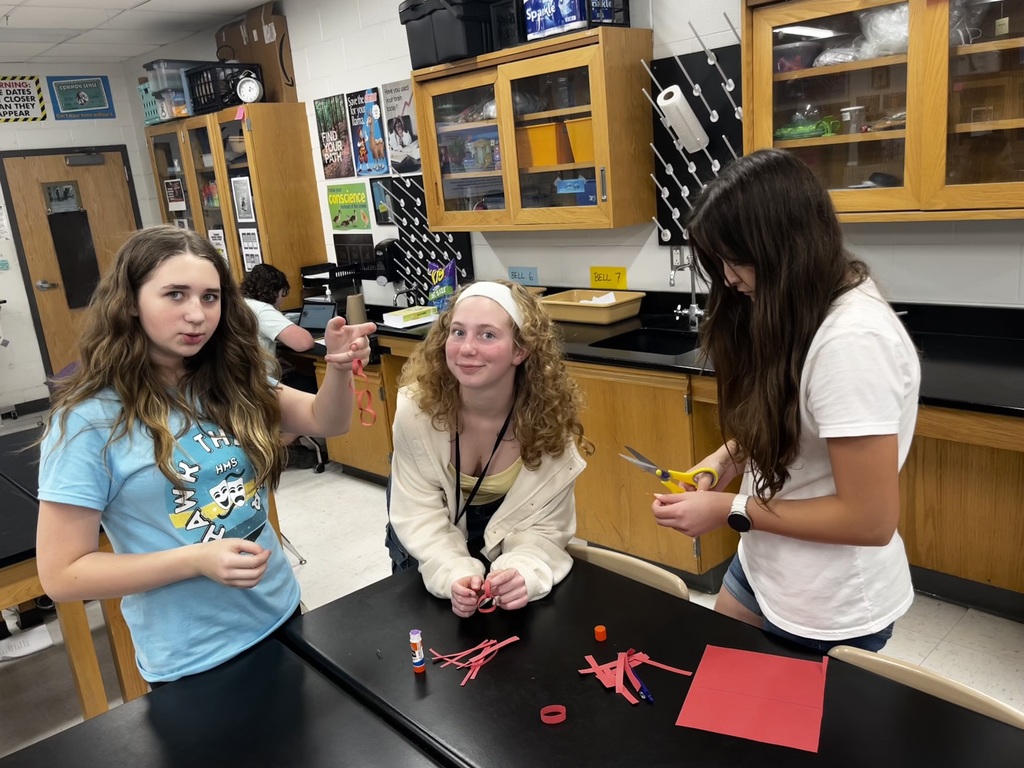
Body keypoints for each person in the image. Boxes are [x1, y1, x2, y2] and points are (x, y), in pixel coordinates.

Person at [35, 225, 376, 684]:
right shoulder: (87, 420)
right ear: (130, 302)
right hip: (193, 655)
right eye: (175, 294)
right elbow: (62, 575)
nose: (197, 314)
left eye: (210, 297)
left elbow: (325, 421)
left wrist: (338, 368)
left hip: (281, 613)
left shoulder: (228, 381)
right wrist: (196, 561)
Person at [651, 149, 920, 654]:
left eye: (738, 261)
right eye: (720, 262)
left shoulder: (853, 343)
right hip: (763, 566)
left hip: (825, 600)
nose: (728, 279)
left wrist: (730, 509)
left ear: (786, 248)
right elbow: (794, 421)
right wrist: (725, 459)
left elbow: (870, 520)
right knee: (719, 679)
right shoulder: (804, 306)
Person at [385, 280, 593, 617]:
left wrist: (523, 571)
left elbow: (546, 527)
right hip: (423, 536)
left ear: (520, 350)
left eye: (487, 335)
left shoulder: (549, 424)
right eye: (458, 332)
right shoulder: (416, 411)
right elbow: (418, 514)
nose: (467, 348)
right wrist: (452, 572)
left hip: (510, 529)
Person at [240, 264, 314, 358]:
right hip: (261, 367)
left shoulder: (242, 303)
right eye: (283, 292)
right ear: (275, 292)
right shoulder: (262, 310)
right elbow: (304, 343)